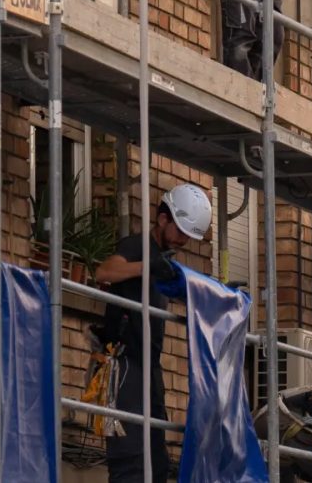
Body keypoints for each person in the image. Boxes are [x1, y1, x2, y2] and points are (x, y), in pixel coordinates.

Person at [94, 182, 212, 483]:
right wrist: (148, 266)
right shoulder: (138, 247)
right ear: (163, 219)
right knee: (131, 459)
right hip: (124, 362)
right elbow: (104, 272)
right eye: (182, 232)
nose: (184, 240)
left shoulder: (165, 258)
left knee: (157, 462)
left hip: (149, 366)